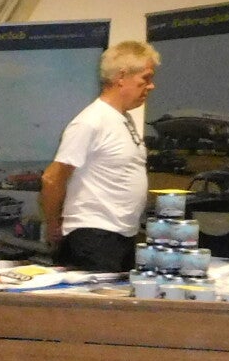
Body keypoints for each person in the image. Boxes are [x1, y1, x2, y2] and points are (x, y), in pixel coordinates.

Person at [40, 41, 161, 272]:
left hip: (122, 237)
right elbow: (52, 178)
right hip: (92, 239)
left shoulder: (123, 120)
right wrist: (53, 225)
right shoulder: (90, 122)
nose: (151, 86)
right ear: (122, 76)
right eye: (146, 78)